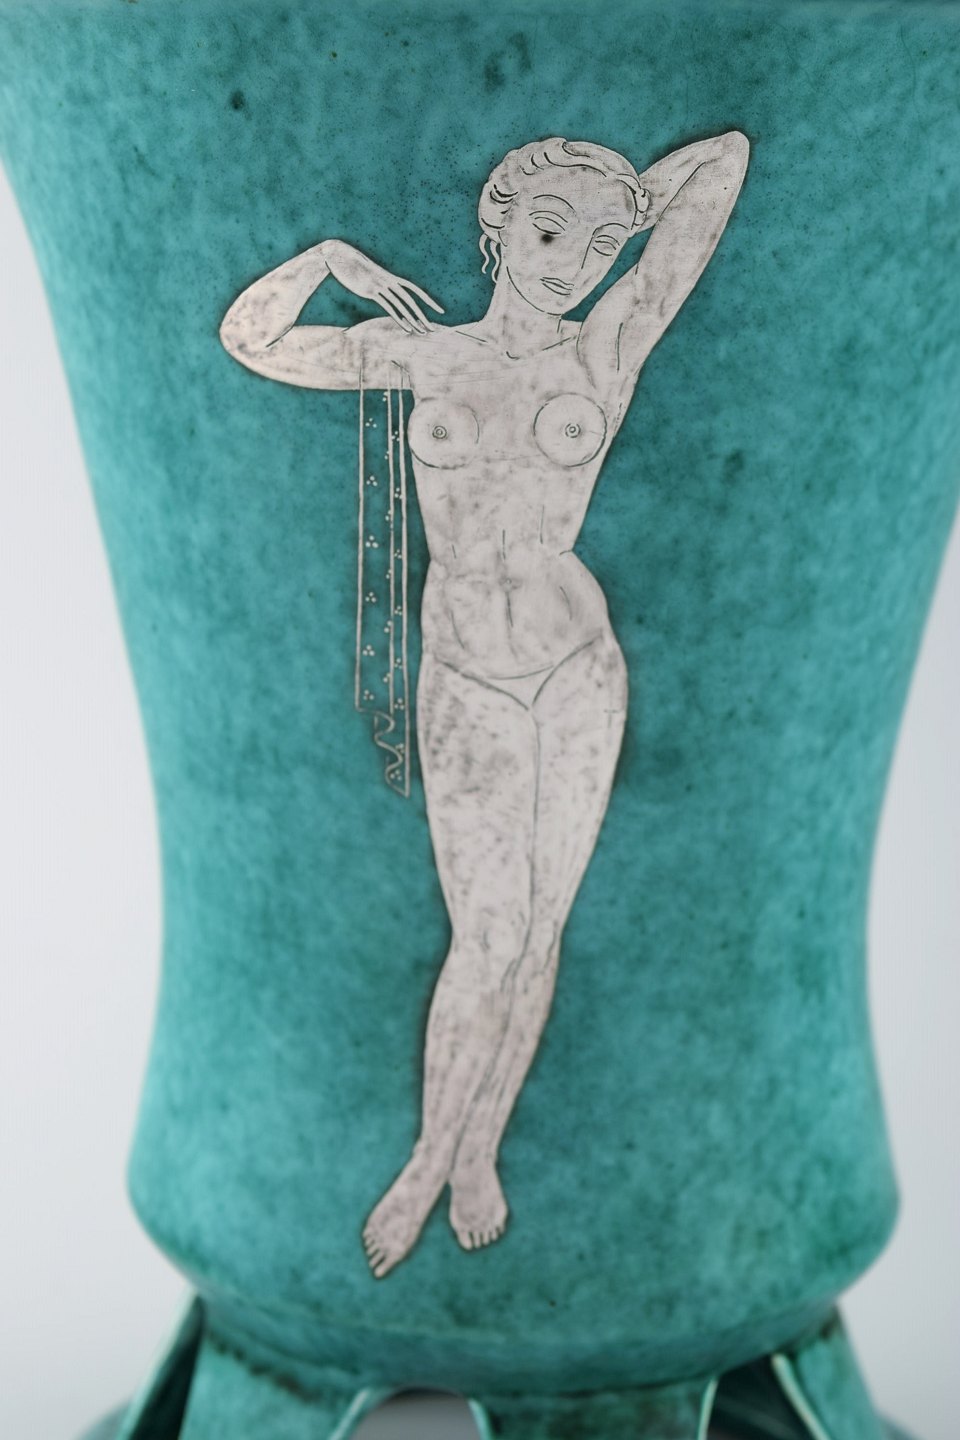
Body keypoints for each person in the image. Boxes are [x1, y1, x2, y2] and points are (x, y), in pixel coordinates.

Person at [219, 130, 750, 1278]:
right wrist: (331, 257)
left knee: (541, 929)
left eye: (600, 246)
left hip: (576, 665)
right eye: (550, 232)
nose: (575, 263)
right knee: (487, 935)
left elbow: (726, 164)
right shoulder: (424, 354)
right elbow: (250, 338)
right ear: (497, 232)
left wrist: (632, 199)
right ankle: (424, 1157)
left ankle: (478, 1153)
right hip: (469, 676)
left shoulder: (609, 343)